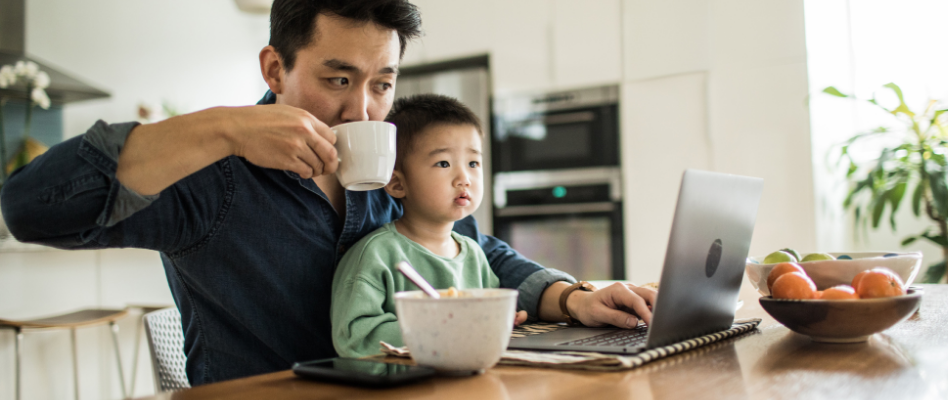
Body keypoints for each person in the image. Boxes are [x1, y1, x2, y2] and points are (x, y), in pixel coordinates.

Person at [0, 0, 656, 385]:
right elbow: (29, 207)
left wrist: (572, 297)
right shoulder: (210, 175)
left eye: (382, 83)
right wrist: (224, 126)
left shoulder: (387, 171)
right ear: (274, 68)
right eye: (339, 80)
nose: (364, 110)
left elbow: (470, 249)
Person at [331, 94, 518, 358]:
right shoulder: (376, 255)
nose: (464, 178)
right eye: (443, 163)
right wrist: (443, 328)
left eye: (473, 163)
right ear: (397, 184)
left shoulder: (474, 254)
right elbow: (355, 339)